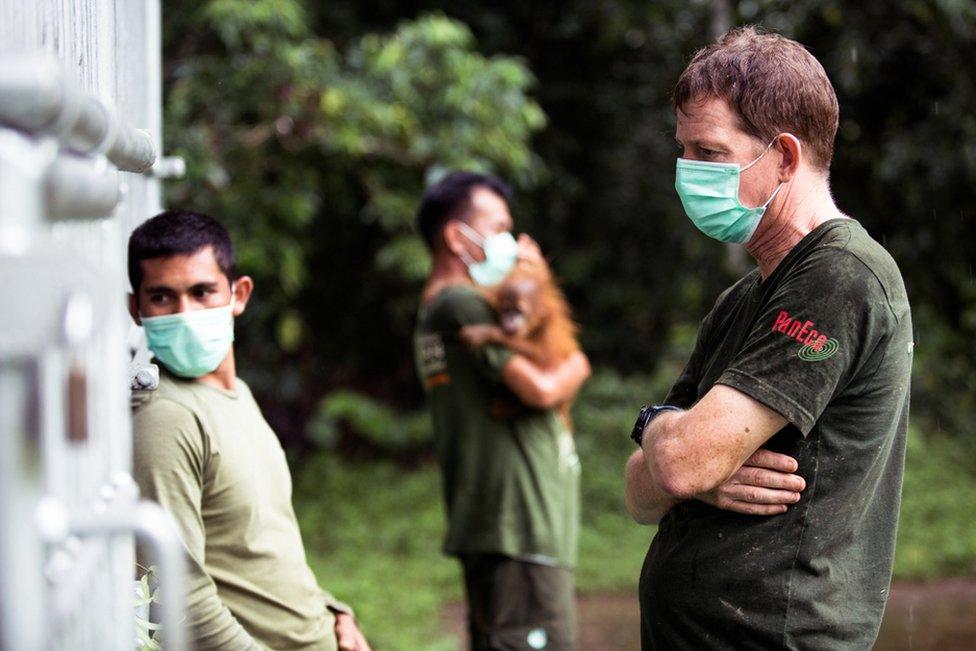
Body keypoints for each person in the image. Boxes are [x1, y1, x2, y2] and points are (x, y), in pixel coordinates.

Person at [624, 26, 913, 650]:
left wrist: (663, 436)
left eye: (708, 152)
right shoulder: (744, 299)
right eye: (683, 150)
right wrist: (685, 458)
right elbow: (640, 490)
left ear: (784, 158)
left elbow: (676, 463)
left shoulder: (840, 276)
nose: (686, 173)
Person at [127, 210, 370, 651]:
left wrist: (334, 614)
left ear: (238, 294)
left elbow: (262, 543)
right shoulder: (165, 418)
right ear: (136, 309)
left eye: (202, 292)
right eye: (162, 297)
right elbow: (178, 598)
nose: (185, 314)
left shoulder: (235, 392)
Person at [413, 171, 591, 650]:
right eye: (499, 229)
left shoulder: (438, 309)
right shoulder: (464, 305)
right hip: (521, 519)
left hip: (498, 520)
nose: (510, 243)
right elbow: (544, 384)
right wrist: (576, 362)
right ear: (456, 237)